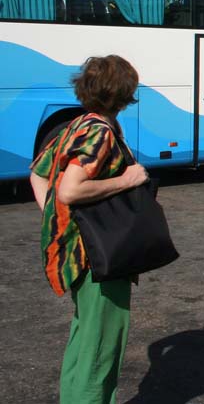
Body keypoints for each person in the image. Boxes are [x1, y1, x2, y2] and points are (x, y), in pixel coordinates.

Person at [28, 55, 150, 404]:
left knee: (84, 341)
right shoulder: (100, 132)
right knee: (101, 347)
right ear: (125, 92)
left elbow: (38, 174)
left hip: (76, 254)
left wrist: (58, 219)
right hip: (99, 257)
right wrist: (128, 178)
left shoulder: (77, 125)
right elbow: (70, 189)